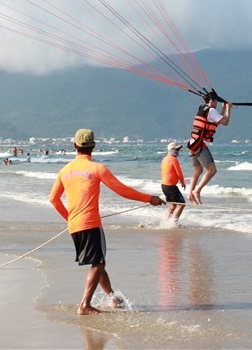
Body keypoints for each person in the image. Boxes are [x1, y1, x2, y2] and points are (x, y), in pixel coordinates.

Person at [48, 128, 164, 315]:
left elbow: (53, 199)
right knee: (99, 263)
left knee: (97, 261)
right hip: (91, 223)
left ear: (74, 146)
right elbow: (121, 190)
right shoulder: (97, 169)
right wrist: (149, 198)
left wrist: (70, 218)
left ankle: (112, 296)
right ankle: (84, 305)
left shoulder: (64, 171)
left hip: (75, 226)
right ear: (93, 146)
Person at [186, 93, 231, 204]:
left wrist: (223, 109)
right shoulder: (211, 111)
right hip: (201, 145)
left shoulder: (203, 109)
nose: (216, 103)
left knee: (198, 170)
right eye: (216, 101)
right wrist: (228, 109)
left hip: (193, 144)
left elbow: (215, 121)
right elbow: (225, 122)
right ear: (212, 101)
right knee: (212, 170)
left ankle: (190, 194)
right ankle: (196, 191)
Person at [161, 141, 187, 224]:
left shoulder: (165, 159)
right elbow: (179, 173)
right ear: (170, 150)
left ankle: (166, 222)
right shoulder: (174, 159)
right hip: (171, 187)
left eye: (178, 150)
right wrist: (183, 183)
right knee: (182, 204)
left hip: (164, 186)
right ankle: (174, 223)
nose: (178, 151)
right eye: (176, 149)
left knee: (173, 205)